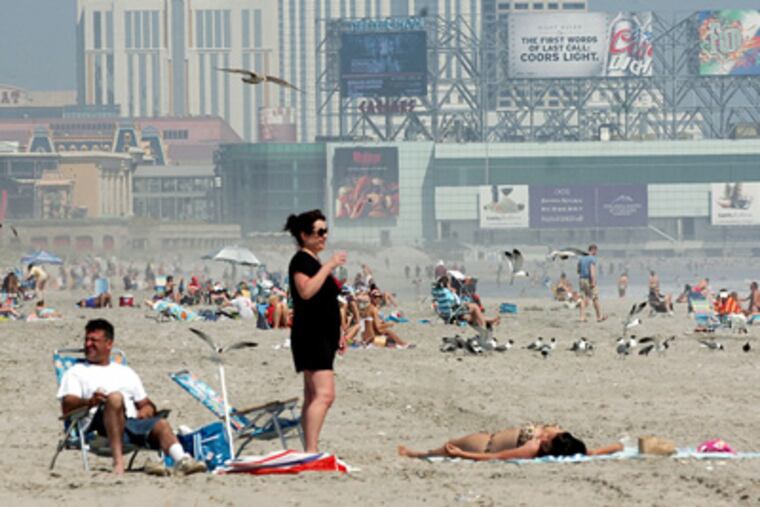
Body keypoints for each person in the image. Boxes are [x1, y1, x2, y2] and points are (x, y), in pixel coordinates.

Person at [56, 319, 206, 476]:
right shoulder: (76, 372)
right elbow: (67, 405)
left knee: (161, 424)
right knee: (115, 398)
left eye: (94, 340)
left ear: (109, 344)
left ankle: (181, 460)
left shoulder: (126, 372)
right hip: (97, 428)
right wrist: (90, 401)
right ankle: (118, 462)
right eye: (86, 340)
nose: (88, 344)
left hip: (129, 423)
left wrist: (147, 410)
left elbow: (146, 403)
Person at [284, 209, 346, 453]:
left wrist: (339, 333)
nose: (324, 236)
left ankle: (309, 448)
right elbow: (306, 291)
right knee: (325, 395)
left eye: (326, 231)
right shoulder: (301, 260)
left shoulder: (313, 261)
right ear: (304, 235)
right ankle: (311, 450)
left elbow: (325, 302)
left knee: (313, 395)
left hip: (322, 335)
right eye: (319, 232)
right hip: (311, 335)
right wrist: (330, 265)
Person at [398, 423, 623, 461]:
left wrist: (463, 455)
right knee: (446, 447)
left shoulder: (532, 448)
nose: (545, 435)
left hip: (482, 444)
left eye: (548, 439)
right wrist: (618, 447)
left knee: (445, 448)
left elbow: (496, 457)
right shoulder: (568, 445)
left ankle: (416, 454)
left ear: (546, 447)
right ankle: (420, 454)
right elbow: (598, 451)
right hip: (489, 437)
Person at [577, 244, 606, 323]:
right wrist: (593, 281)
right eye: (596, 251)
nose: (596, 252)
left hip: (581, 279)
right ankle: (599, 316)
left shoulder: (581, 258)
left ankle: (582, 317)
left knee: (582, 298)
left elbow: (578, 270)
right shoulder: (592, 259)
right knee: (595, 298)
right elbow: (592, 271)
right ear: (593, 250)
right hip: (588, 279)